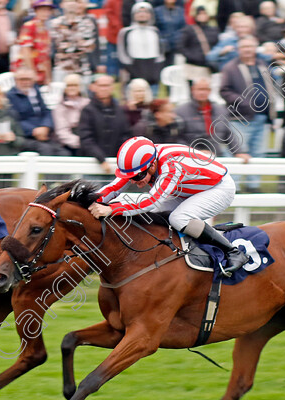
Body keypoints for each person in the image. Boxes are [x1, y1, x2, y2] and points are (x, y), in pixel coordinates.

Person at [87, 137, 249, 276]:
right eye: (130, 177)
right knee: (154, 217)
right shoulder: (143, 162)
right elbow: (113, 188)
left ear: (152, 165)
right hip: (189, 188)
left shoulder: (171, 167)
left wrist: (112, 209)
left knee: (178, 218)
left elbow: (151, 201)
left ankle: (233, 252)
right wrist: (86, 200)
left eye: (137, 176)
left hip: (219, 188)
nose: (134, 182)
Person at [219, 35, 272, 192]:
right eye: (244, 47)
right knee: (239, 152)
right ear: (238, 49)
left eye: (250, 46)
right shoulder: (230, 67)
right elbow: (224, 90)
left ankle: (253, 186)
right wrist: (243, 101)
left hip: (262, 116)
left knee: (258, 153)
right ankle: (234, 187)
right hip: (240, 118)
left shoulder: (262, 64)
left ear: (256, 48)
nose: (247, 50)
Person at [7, 66, 68, 156]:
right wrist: (34, 131)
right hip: (25, 136)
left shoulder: (36, 92)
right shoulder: (10, 96)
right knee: (46, 150)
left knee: (63, 153)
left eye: (28, 79)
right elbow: (14, 120)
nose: (25, 82)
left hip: (43, 134)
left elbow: (46, 111)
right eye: (22, 79)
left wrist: (45, 126)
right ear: (16, 80)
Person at [77, 74, 131, 171]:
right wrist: (101, 159)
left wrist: (121, 158)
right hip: (92, 164)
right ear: (94, 87)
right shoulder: (87, 110)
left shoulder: (119, 110)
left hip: (117, 164)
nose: (104, 89)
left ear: (112, 87)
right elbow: (86, 139)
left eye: (107, 85)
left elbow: (125, 136)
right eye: (101, 85)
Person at [176, 77, 242, 157]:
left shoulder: (221, 110)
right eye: (199, 89)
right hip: (190, 157)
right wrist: (196, 152)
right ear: (192, 90)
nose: (202, 93)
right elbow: (177, 139)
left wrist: (238, 152)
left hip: (216, 155)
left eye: (205, 89)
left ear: (210, 91)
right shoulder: (181, 111)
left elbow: (228, 134)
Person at [118, 2, 164, 96]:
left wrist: (157, 70)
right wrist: (131, 69)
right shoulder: (126, 32)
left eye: (145, 12)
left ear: (150, 15)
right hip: (134, 68)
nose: (142, 14)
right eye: (138, 12)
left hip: (152, 69)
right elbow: (122, 53)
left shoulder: (155, 31)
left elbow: (161, 53)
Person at [49, 0, 97, 82]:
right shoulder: (54, 23)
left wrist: (68, 41)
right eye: (68, 1)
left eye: (74, 1)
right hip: (61, 66)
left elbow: (88, 46)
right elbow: (55, 45)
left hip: (82, 66)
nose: (71, 4)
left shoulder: (87, 23)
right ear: (62, 5)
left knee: (83, 92)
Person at [14, 0, 54, 85]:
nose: (46, 13)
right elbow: (26, 51)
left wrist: (48, 77)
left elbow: (46, 56)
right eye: (43, 10)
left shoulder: (45, 29)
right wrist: (32, 73)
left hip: (41, 72)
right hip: (27, 73)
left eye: (48, 10)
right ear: (36, 11)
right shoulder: (29, 26)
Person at [52, 73, 90, 155]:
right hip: (69, 144)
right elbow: (62, 131)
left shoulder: (88, 104)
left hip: (88, 140)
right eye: (69, 85)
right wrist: (80, 143)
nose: (72, 88)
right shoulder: (60, 106)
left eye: (75, 85)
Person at [178, 6, 218, 81]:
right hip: (193, 66)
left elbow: (217, 46)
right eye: (200, 14)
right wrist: (193, 57)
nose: (202, 16)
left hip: (208, 66)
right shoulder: (189, 30)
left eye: (204, 14)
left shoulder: (214, 30)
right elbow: (181, 47)